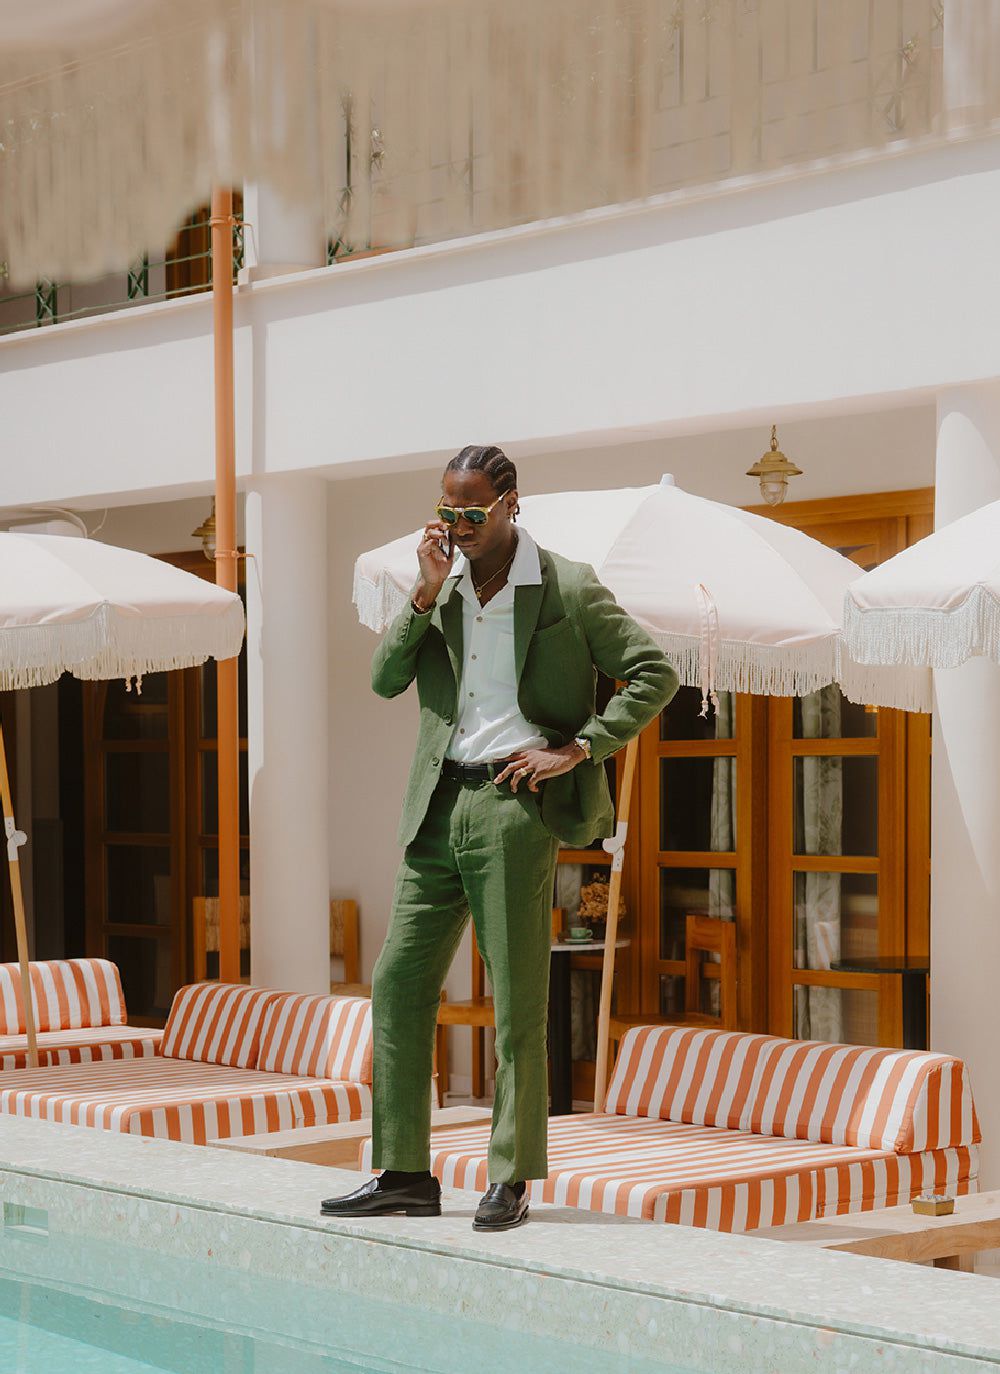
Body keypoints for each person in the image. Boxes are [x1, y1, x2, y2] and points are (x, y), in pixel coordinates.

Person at [321, 445, 678, 1232]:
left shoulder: (568, 586)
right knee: (398, 983)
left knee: (516, 999)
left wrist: (578, 748)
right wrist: (422, 590)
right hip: (437, 801)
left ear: (513, 503)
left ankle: (511, 1176)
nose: (459, 527)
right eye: (448, 513)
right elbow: (384, 680)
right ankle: (405, 1173)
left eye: (472, 513)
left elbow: (654, 673)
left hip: (516, 804)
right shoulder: (438, 588)